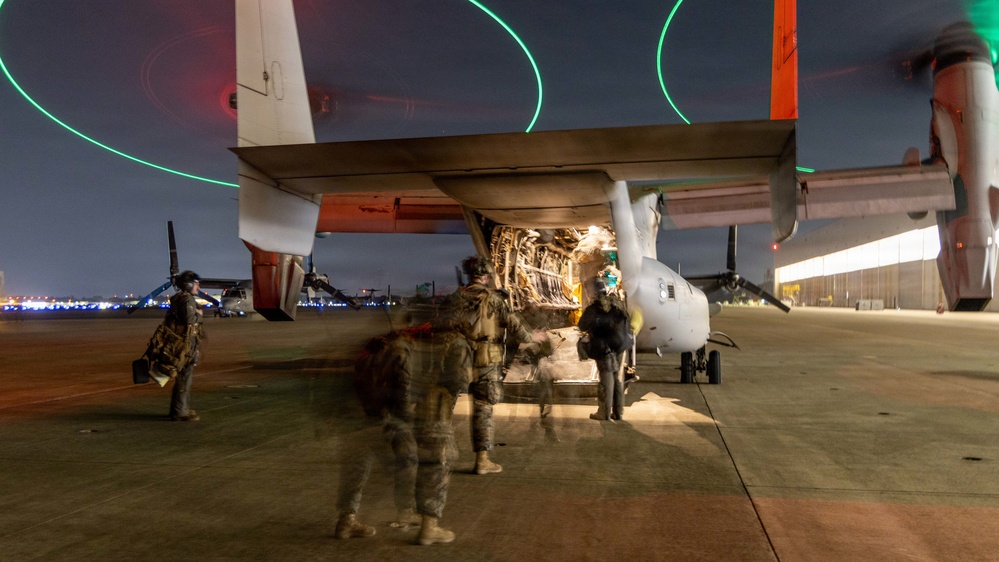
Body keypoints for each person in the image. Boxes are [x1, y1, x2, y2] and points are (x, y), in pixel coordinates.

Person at [455, 256, 546, 475]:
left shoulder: (454, 298)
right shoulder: (494, 300)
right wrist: (534, 337)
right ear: (486, 276)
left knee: (444, 406)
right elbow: (517, 328)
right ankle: (482, 460)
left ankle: (439, 454)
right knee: (483, 408)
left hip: (457, 360)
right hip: (486, 360)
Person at [334, 330, 419, 540]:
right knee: (408, 462)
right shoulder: (400, 354)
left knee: (355, 469)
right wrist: (409, 417)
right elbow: (403, 392)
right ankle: (405, 512)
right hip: (385, 422)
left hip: (356, 420)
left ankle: (346, 521)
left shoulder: (365, 353)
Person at [578, 276, 632, 421]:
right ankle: (618, 412)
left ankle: (603, 413)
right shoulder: (617, 304)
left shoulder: (594, 308)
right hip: (620, 346)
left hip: (605, 348)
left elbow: (582, 325)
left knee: (606, 381)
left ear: (594, 292)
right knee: (616, 378)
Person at [165, 270, 204, 421]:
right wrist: (199, 315)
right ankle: (180, 411)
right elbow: (190, 321)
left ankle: (179, 408)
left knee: (182, 377)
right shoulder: (187, 300)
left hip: (180, 343)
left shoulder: (178, 299)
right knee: (184, 378)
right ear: (189, 285)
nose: (198, 287)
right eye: (196, 284)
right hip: (185, 345)